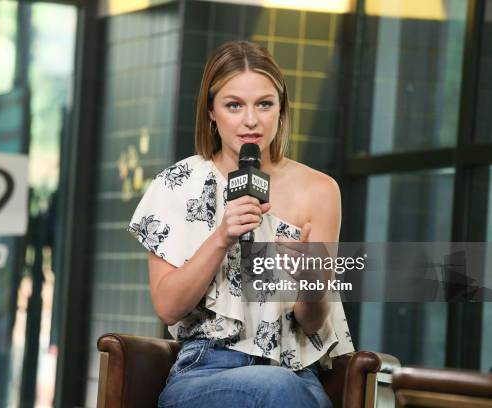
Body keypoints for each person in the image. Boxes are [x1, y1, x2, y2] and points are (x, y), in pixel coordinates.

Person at [127, 41, 353, 408]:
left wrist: (311, 278)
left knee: (283, 387)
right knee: (277, 389)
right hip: (205, 372)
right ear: (212, 112)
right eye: (234, 105)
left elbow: (311, 324)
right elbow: (168, 308)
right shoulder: (177, 183)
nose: (251, 120)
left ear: (281, 110)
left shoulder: (321, 190)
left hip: (296, 374)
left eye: (264, 104)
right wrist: (221, 237)